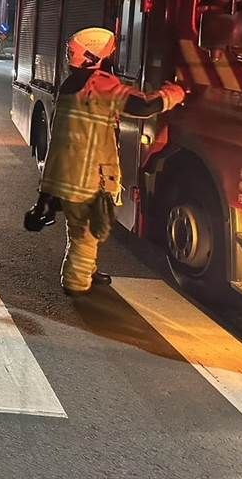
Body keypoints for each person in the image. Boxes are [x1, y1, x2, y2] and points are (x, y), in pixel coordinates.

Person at [38, 27, 186, 296]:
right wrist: (173, 94)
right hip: (88, 178)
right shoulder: (99, 84)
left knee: (81, 228)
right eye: (109, 55)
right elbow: (142, 106)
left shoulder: (71, 84)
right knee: (86, 233)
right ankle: (76, 283)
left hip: (68, 175)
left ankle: (88, 270)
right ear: (96, 56)